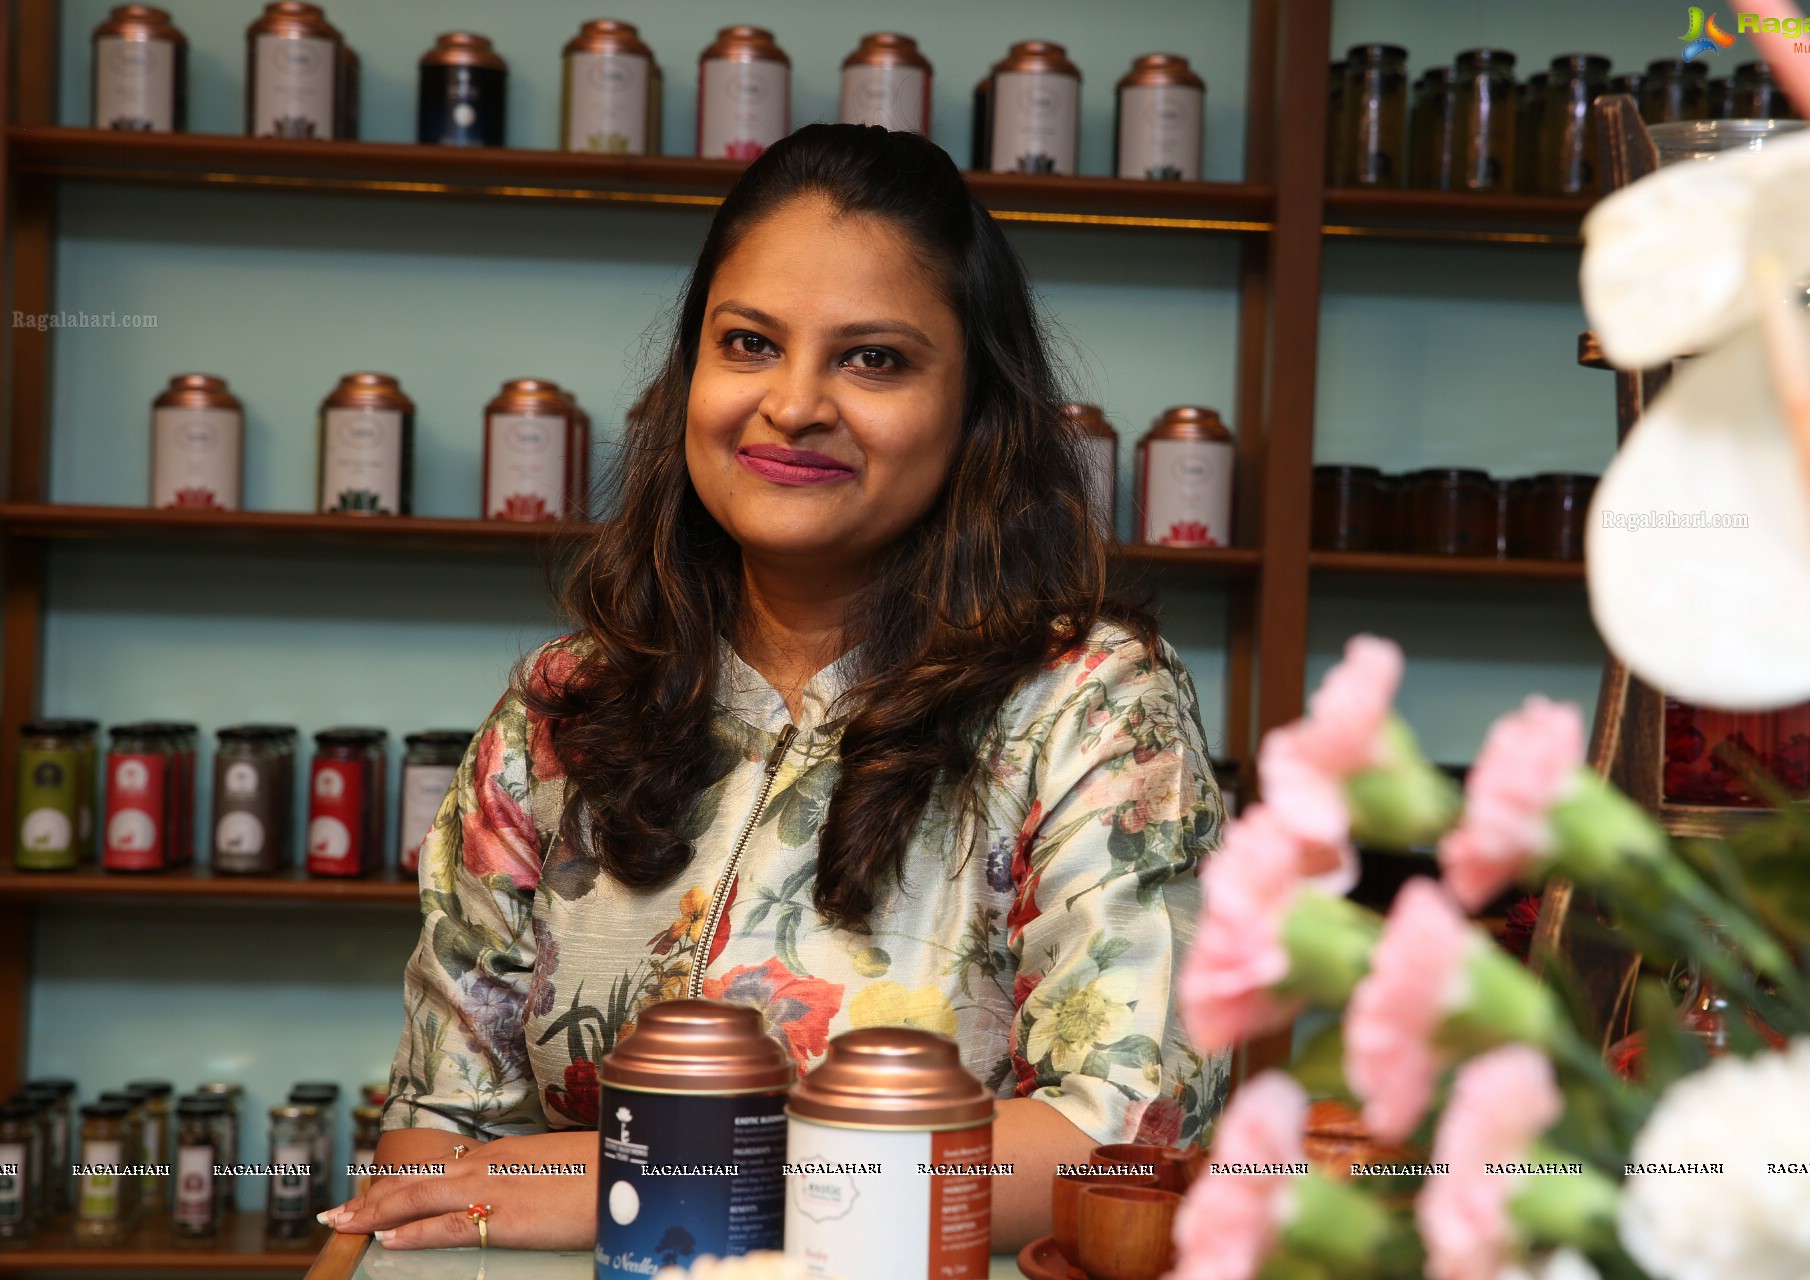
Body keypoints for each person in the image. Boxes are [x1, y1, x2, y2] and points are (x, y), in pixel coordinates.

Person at [319, 123, 1228, 1254]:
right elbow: (439, 1136)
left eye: (874, 358)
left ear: (975, 408)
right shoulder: (560, 713)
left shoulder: (1087, 704)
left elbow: (1125, 1133)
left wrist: (658, 1178)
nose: (794, 402)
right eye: (748, 342)